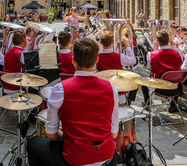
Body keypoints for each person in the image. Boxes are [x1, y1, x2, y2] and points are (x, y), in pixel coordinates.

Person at [27, 38, 119, 166]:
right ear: (97, 59)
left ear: (73, 60)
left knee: (33, 143)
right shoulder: (112, 89)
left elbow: (51, 134)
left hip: (75, 157)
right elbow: (114, 134)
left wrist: (63, 134)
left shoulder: (60, 89)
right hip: (105, 155)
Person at [147, 30, 185, 113]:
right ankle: (173, 105)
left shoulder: (151, 54)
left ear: (157, 41)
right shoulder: (178, 53)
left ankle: (147, 104)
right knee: (175, 75)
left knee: (143, 79)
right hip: (176, 87)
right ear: (168, 40)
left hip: (159, 87)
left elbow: (150, 67)